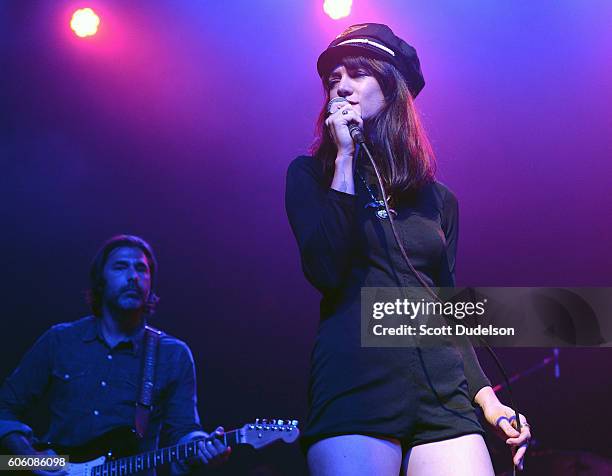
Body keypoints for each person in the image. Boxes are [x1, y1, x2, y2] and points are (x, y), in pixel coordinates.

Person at [285, 23, 531, 475]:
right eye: (332, 78)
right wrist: (343, 159)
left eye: (356, 73)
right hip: (356, 384)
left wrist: (490, 402)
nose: (340, 85)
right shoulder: (310, 176)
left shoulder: (439, 200)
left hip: (442, 396)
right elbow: (323, 270)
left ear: (391, 84)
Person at [0, 235, 230, 475]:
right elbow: (3, 408)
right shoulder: (60, 339)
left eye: (142, 269)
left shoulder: (174, 354)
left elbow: (184, 431)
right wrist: (30, 460)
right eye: (121, 266)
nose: (133, 276)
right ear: (100, 281)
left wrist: (202, 445)